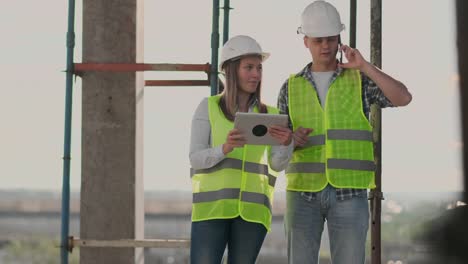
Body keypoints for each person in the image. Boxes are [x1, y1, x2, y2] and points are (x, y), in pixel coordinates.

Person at [277, 1, 413, 263]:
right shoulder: (290, 87)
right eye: (318, 40)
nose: (325, 46)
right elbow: (279, 147)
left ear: (339, 39)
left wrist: (365, 67)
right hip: (302, 194)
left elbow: (403, 97)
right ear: (306, 41)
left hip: (349, 192)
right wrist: (292, 141)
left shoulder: (359, 80)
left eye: (331, 39)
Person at [189, 35, 294, 264]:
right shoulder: (208, 108)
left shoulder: (272, 114)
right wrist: (224, 149)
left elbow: (277, 164)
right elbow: (195, 158)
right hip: (212, 210)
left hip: (253, 214)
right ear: (231, 70)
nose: (256, 74)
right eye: (248, 67)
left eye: (258, 68)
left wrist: (287, 143)